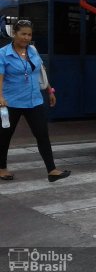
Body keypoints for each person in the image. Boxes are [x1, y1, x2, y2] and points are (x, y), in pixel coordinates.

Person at [0, 20, 70, 182]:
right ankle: (2, 168)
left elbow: (40, 72)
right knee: (4, 135)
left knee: (42, 134)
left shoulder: (32, 50)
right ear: (14, 34)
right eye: (23, 34)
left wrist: (49, 90)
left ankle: (51, 170)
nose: (26, 38)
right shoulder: (3, 53)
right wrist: (0, 97)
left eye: (29, 34)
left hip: (34, 100)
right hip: (11, 102)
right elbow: (0, 77)